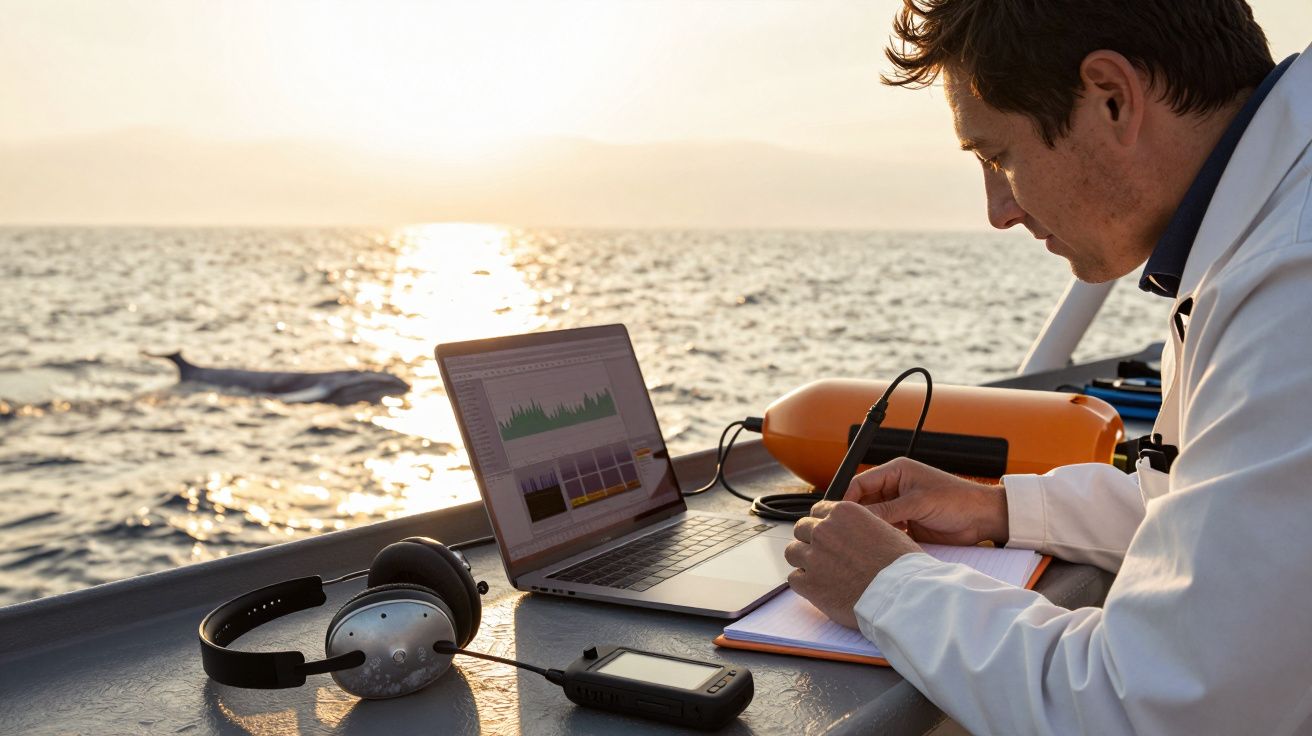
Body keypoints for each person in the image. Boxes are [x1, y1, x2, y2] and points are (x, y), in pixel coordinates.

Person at [783, 1, 1312, 733]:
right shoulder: (1271, 221)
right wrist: (997, 508)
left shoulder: (1294, 277)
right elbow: (1214, 501)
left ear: (1112, 99)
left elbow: (1155, 706)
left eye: (999, 157)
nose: (999, 210)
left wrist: (887, 585)